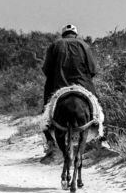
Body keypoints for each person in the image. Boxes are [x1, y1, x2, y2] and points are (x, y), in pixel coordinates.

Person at [41, 24, 107, 161]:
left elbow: (46, 70)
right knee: (98, 108)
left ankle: (50, 143)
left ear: (63, 34)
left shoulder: (55, 45)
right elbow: (93, 70)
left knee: (46, 112)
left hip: (58, 86)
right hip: (83, 85)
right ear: (75, 34)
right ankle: (102, 139)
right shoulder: (84, 45)